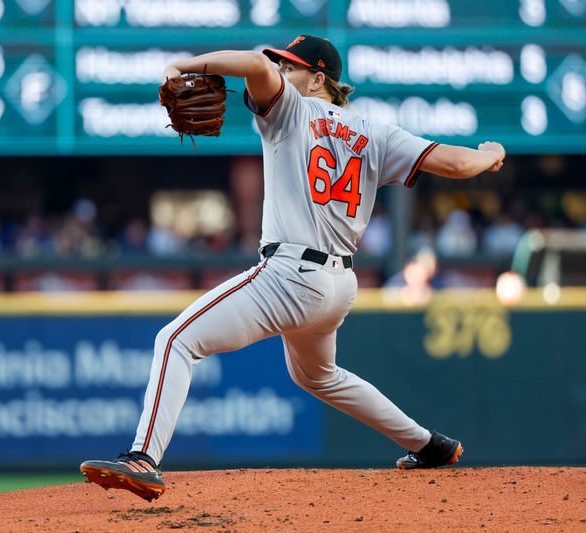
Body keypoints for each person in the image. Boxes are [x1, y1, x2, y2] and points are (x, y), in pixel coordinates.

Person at [80, 35, 506, 501]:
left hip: (291, 274)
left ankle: (143, 457)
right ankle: (429, 445)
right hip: (340, 285)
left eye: (290, 67)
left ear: (318, 78)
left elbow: (252, 63)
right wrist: (490, 155)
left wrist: (181, 63)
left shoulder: (292, 109)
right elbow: (460, 163)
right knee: (317, 375)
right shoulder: (377, 133)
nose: (280, 72)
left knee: (175, 340)